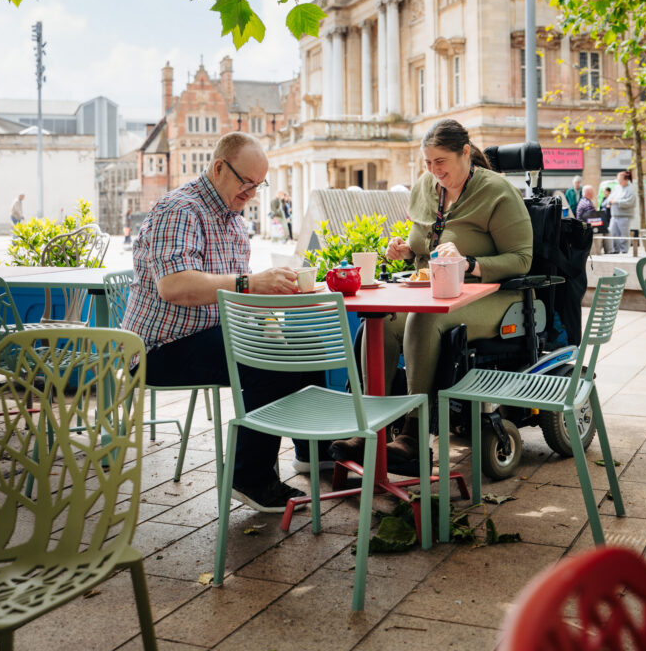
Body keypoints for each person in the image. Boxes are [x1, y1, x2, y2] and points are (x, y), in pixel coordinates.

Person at [123, 132, 332, 512]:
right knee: (262, 356)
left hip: (212, 335)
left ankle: (312, 453)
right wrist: (252, 284)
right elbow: (174, 286)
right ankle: (248, 477)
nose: (252, 194)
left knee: (308, 345)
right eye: (247, 182)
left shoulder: (234, 221)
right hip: (158, 349)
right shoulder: (179, 210)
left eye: (259, 184)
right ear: (219, 168)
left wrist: (278, 295)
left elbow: (237, 296)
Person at [329, 119, 533, 469]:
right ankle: (371, 428)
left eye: (440, 161)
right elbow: (421, 244)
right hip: (434, 292)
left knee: (422, 321)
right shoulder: (426, 187)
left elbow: (522, 259)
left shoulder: (497, 191)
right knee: (381, 321)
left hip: (490, 297)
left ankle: (413, 435)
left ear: (465, 153)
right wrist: (403, 251)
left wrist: (469, 263)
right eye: (427, 162)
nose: (433, 170)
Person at [606, 169, 636, 254]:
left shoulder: (631, 189)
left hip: (624, 215)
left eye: (620, 180)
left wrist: (616, 202)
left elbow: (629, 202)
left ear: (626, 179)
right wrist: (609, 202)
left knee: (623, 234)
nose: (618, 181)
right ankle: (615, 249)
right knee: (613, 232)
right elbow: (610, 197)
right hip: (614, 215)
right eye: (618, 179)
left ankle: (624, 250)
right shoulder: (617, 187)